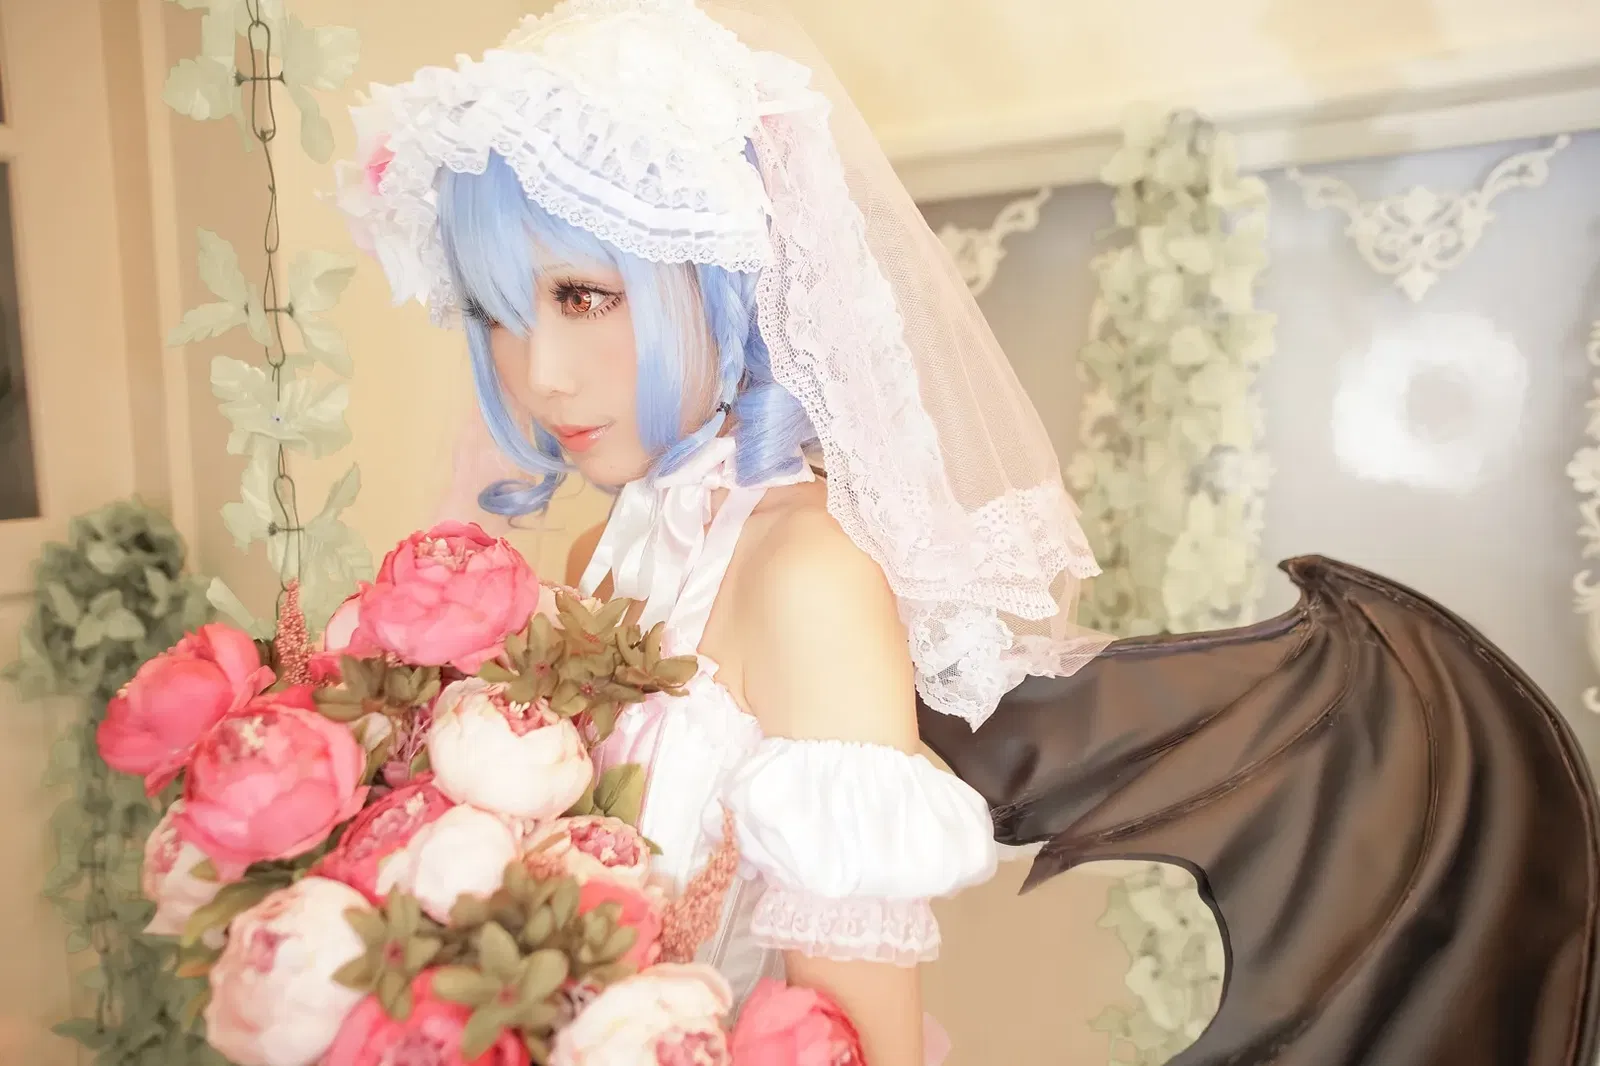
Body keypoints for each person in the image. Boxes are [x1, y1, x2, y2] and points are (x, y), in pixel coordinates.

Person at [335, 1, 1108, 1061]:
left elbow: (854, 1043)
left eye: (583, 295)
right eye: (497, 312)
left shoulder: (808, 575)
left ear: (718, 275)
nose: (542, 372)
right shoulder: (597, 559)